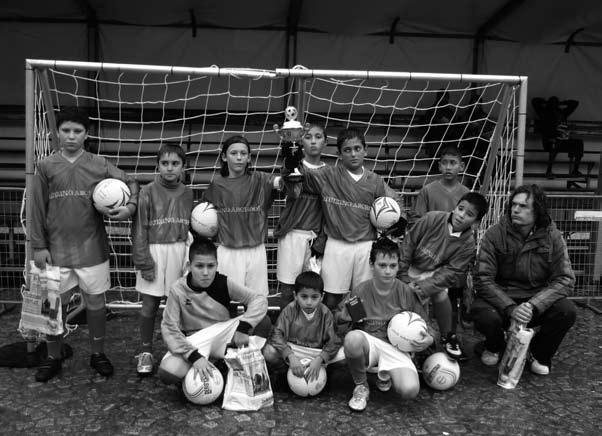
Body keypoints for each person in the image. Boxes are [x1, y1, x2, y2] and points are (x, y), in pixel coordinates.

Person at [30, 108, 139, 382]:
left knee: (96, 303)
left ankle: (98, 354)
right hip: (55, 250)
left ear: (86, 134)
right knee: (52, 305)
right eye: (66, 130)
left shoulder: (99, 165)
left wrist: (129, 207)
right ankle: (53, 356)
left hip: (92, 248)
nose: (71, 136)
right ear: (57, 133)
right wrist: (38, 246)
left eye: (77, 131)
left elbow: (131, 182)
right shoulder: (45, 166)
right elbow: (36, 208)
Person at [287, 127, 404, 309]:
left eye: (357, 149)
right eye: (347, 150)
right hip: (336, 244)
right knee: (332, 296)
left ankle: (356, 324)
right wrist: (291, 162)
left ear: (365, 150)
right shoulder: (328, 176)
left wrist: (400, 220)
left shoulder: (375, 181)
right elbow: (302, 177)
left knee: (360, 297)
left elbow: (395, 202)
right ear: (339, 154)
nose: (353, 154)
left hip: (366, 246)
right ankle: (331, 326)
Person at [471, 184, 576, 375]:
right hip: (502, 298)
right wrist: (511, 308)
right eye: (513, 204)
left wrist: (533, 305)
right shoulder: (495, 234)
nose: (515, 209)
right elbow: (482, 278)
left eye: (523, 206)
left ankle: (538, 353)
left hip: (535, 300)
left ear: (537, 210)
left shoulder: (553, 236)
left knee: (566, 311)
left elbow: (565, 278)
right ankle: (495, 346)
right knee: (482, 313)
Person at [335, 238, 434, 412]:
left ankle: (386, 373)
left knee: (409, 390)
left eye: (392, 266)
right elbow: (342, 322)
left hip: (397, 349)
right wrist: (345, 317)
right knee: (352, 339)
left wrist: (429, 339)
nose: (388, 271)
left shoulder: (406, 291)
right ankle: (361, 386)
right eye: (382, 265)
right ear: (371, 265)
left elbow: (427, 325)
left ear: (398, 266)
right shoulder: (361, 290)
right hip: (370, 345)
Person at [158, 236, 268, 384]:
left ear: (217, 265)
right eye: (199, 266)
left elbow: (259, 299)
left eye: (210, 266)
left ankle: (230, 360)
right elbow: (169, 327)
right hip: (195, 339)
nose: (205, 272)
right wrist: (194, 357)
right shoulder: (178, 289)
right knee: (168, 372)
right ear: (189, 266)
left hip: (222, 334)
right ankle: (208, 369)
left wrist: (244, 327)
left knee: (264, 321)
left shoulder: (224, 282)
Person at [398, 192, 489, 359]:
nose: (461, 215)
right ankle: (402, 336)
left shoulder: (468, 244)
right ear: (455, 208)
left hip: (433, 273)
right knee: (403, 297)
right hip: (410, 265)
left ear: (476, 223)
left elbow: (451, 272)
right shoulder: (432, 218)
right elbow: (408, 243)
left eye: (469, 214)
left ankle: (448, 337)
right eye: (460, 209)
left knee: (440, 293)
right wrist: (403, 275)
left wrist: (423, 287)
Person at [132, 144, 193, 375]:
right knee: (150, 304)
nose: (169, 168)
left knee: (180, 305)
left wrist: (190, 257)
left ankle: (180, 349)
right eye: (165, 163)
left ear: (183, 167)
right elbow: (139, 228)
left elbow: (191, 225)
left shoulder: (187, 192)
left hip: (179, 250)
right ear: (157, 165)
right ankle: (145, 351)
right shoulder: (147, 191)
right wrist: (144, 261)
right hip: (154, 251)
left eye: (175, 163)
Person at [203, 135, 282, 297]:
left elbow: (282, 183)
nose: (239, 157)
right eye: (234, 153)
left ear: (249, 158)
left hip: (256, 251)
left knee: (257, 301)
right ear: (224, 157)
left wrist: (289, 167)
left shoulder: (261, 180)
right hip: (228, 251)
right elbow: (203, 216)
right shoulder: (217, 185)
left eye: (243, 153)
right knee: (225, 300)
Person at [275, 124, 328, 309]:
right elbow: (293, 191)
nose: (313, 141)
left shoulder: (330, 173)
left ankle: (311, 326)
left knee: (314, 291)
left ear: (325, 142)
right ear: (300, 141)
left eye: (318, 137)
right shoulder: (293, 165)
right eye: (308, 136)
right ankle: (284, 326)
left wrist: (322, 238)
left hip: (316, 238)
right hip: (292, 234)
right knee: (288, 291)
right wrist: (290, 165)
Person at [262, 271, 342, 384]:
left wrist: (320, 359)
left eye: (314, 297)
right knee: (268, 351)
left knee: (344, 355)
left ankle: (326, 373)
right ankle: (283, 373)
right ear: (295, 295)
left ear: (322, 297)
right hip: (294, 350)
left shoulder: (326, 313)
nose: (309, 302)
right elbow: (276, 335)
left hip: (317, 352)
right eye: (304, 297)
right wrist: (290, 356)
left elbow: (334, 341)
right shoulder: (289, 310)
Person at [411, 145, 469, 223]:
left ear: (461, 166)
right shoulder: (427, 191)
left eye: (453, 163)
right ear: (439, 166)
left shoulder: (466, 193)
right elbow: (416, 221)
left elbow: (468, 222)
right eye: (444, 163)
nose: (448, 167)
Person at [532, 96, 584, 179]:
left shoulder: (562, 112)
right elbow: (534, 101)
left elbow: (575, 103)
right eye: (552, 103)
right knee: (555, 142)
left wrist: (561, 103)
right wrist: (547, 102)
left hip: (562, 141)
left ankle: (575, 170)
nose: (553, 106)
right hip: (549, 142)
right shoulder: (543, 112)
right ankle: (549, 171)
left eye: (555, 103)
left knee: (578, 143)